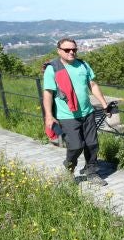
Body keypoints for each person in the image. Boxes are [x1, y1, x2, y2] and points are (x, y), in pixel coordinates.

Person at [43, 38, 110, 185]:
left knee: (92, 144)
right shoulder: (52, 69)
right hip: (67, 116)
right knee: (75, 146)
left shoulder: (83, 65)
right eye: (67, 50)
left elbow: (93, 85)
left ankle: (91, 172)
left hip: (87, 113)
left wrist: (104, 104)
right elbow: (48, 93)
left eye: (74, 49)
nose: (71, 52)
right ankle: (69, 169)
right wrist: (49, 115)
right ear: (59, 51)